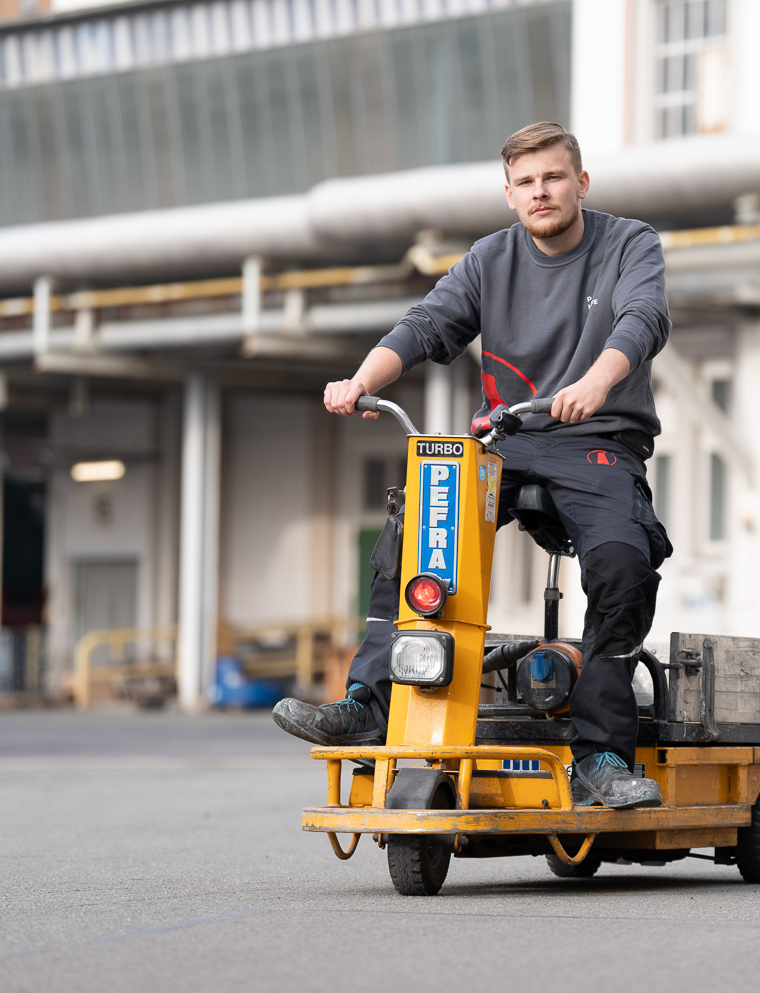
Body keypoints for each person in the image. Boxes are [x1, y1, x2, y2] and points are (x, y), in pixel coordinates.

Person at [273, 121, 673, 810]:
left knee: (622, 564)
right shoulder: (491, 258)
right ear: (510, 194)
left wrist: (598, 382)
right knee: (415, 530)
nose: (540, 191)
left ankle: (602, 755)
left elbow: (643, 317)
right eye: (526, 182)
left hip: (597, 438)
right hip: (506, 439)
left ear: (580, 183)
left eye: (553, 177)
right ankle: (369, 704)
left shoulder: (629, 243)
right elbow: (427, 324)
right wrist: (362, 380)